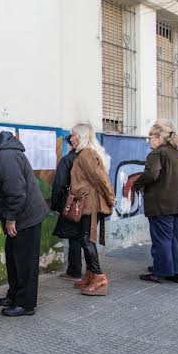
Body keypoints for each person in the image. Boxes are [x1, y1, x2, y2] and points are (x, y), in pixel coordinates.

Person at [0, 123, 48, 316]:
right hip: (21, 215)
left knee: (25, 262)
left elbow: (16, 191)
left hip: (26, 217)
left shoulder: (4, 155)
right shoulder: (0, 152)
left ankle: (25, 304)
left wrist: (10, 218)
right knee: (14, 258)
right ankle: (15, 294)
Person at [133, 121, 178, 284]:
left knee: (162, 239)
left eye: (150, 137)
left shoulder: (157, 153)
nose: (148, 141)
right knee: (175, 238)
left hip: (163, 204)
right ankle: (176, 272)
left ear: (159, 138)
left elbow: (152, 174)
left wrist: (137, 184)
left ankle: (160, 272)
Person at [67, 124, 116, 296]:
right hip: (86, 202)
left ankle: (99, 277)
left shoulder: (86, 153)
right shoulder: (82, 153)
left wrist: (110, 197)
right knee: (84, 238)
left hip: (90, 203)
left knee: (87, 239)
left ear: (81, 137)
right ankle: (90, 275)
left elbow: (100, 178)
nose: (70, 138)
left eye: (73, 135)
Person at [52, 134, 83, 281]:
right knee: (85, 237)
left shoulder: (67, 160)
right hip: (88, 203)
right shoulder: (88, 158)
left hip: (72, 202)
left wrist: (55, 204)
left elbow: (59, 183)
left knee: (74, 237)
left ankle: (74, 271)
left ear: (71, 144)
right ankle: (91, 272)